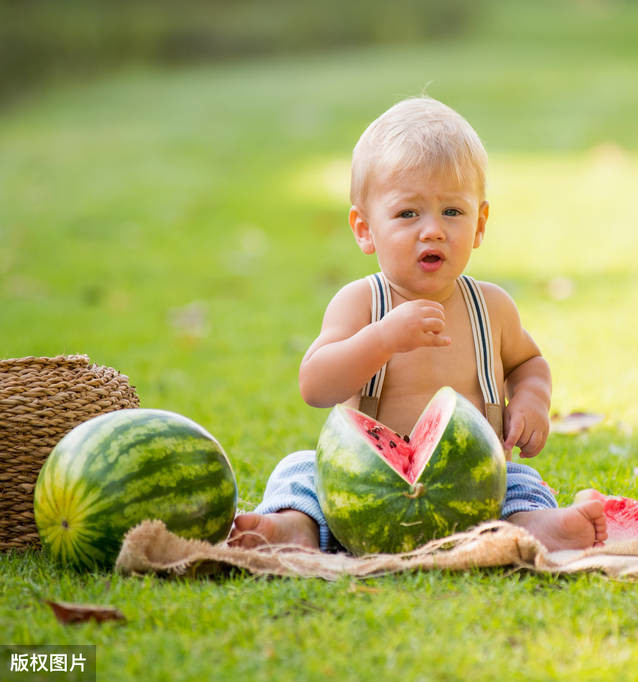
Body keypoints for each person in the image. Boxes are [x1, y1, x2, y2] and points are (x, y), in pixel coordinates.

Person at [229, 96, 606, 553]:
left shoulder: (492, 307)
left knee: (520, 482)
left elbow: (529, 363)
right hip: (367, 490)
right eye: (408, 213)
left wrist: (532, 400)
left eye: (452, 211)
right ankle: (294, 530)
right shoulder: (361, 303)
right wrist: (381, 338)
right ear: (365, 229)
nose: (432, 230)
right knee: (300, 470)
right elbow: (315, 385)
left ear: (480, 223)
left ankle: (539, 528)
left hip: (475, 488)